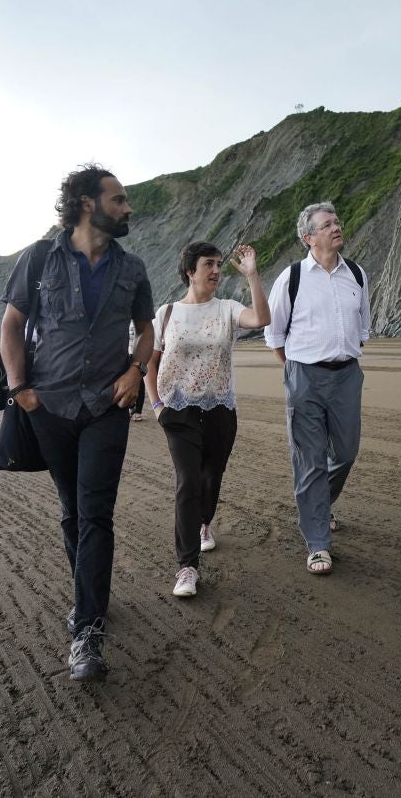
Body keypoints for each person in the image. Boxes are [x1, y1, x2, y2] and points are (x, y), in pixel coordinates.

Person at [0, 163, 154, 682]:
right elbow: (13, 325)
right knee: (71, 509)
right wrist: (21, 391)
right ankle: (90, 593)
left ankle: (86, 630)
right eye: (119, 200)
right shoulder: (40, 258)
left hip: (108, 406)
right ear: (88, 203)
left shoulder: (131, 268)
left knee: (96, 514)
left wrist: (136, 370)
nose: (127, 208)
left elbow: (147, 330)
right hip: (50, 407)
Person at [144, 242, 270, 598]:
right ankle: (186, 567)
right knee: (187, 482)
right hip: (178, 410)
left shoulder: (227, 309)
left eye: (218, 265)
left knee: (211, 477)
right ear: (189, 271)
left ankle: (204, 523)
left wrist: (252, 275)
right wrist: (156, 406)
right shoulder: (166, 314)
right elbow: (149, 363)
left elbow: (262, 319)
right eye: (208, 264)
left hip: (220, 410)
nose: (216, 271)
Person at [263, 203, 371, 575]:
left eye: (337, 221)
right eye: (328, 224)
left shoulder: (356, 273)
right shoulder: (291, 277)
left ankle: (319, 506)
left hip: (347, 376)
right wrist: (296, 370)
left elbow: (363, 327)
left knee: (346, 451)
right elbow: (274, 335)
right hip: (304, 376)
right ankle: (318, 544)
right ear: (309, 237)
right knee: (309, 460)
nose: (337, 227)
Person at [128, 323, 147, 421]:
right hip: (124, 354)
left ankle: (138, 411)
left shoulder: (140, 319)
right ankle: (131, 407)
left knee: (139, 382)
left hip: (137, 354)